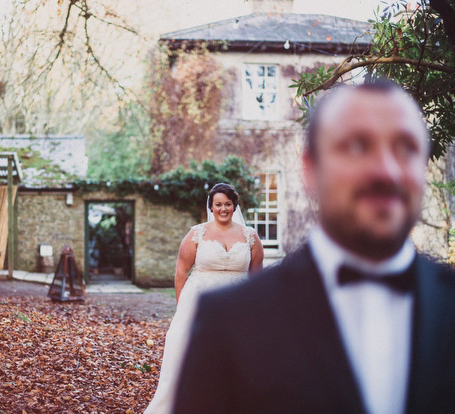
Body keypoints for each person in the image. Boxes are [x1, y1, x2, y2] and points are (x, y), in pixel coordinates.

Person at [173, 81, 455, 413]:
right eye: (357, 147)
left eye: (406, 148)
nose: (385, 170)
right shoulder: (227, 321)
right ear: (310, 168)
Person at [144, 183, 263, 414]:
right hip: (198, 302)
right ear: (211, 206)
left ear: (234, 205)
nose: (223, 209)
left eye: (228, 204)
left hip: (237, 304)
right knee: (191, 354)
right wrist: (183, 308)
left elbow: (257, 277)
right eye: (218, 204)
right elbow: (180, 272)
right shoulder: (197, 234)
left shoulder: (250, 236)